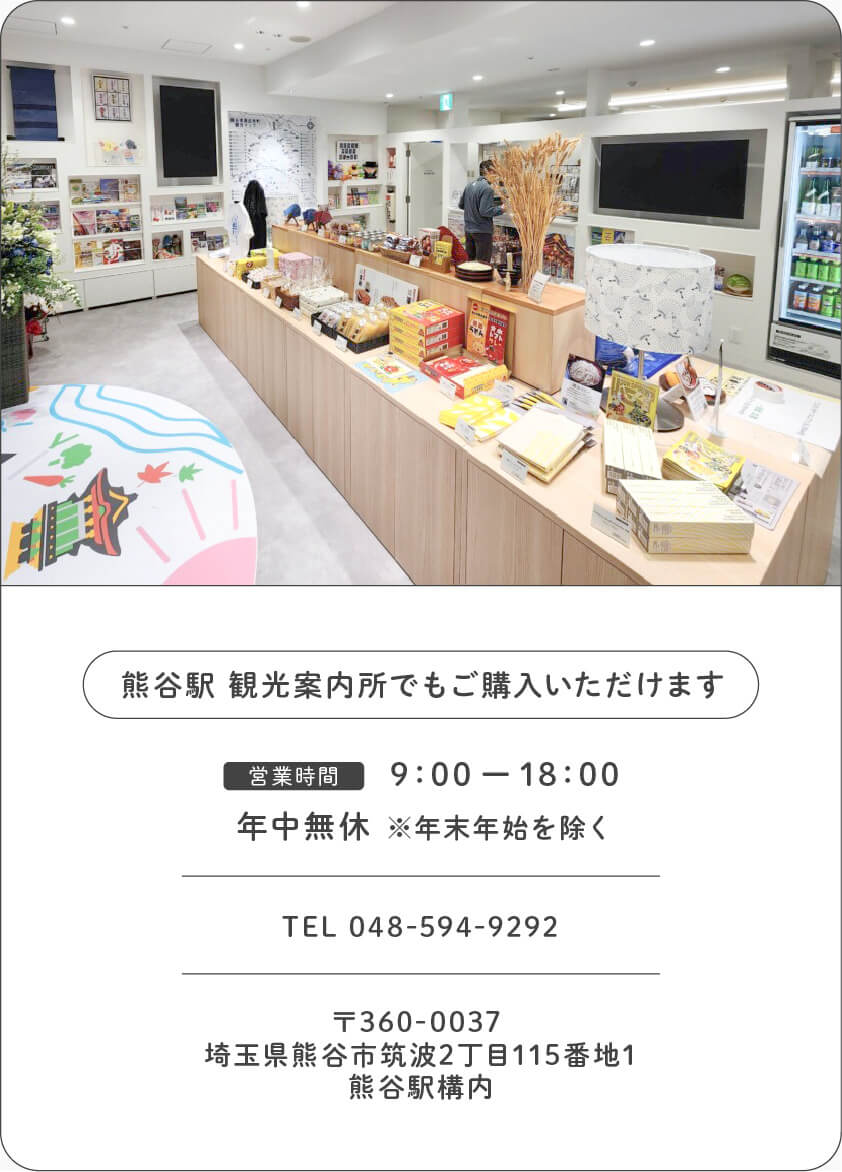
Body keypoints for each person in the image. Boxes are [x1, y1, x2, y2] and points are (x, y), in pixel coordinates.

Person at [458, 160, 503, 263]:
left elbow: (461, 205)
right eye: (496, 173)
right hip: (482, 232)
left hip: (469, 231)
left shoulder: (469, 185)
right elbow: (485, 211)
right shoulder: (487, 188)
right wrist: (502, 209)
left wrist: (473, 209)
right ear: (489, 172)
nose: (497, 176)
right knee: (482, 265)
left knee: (470, 263)